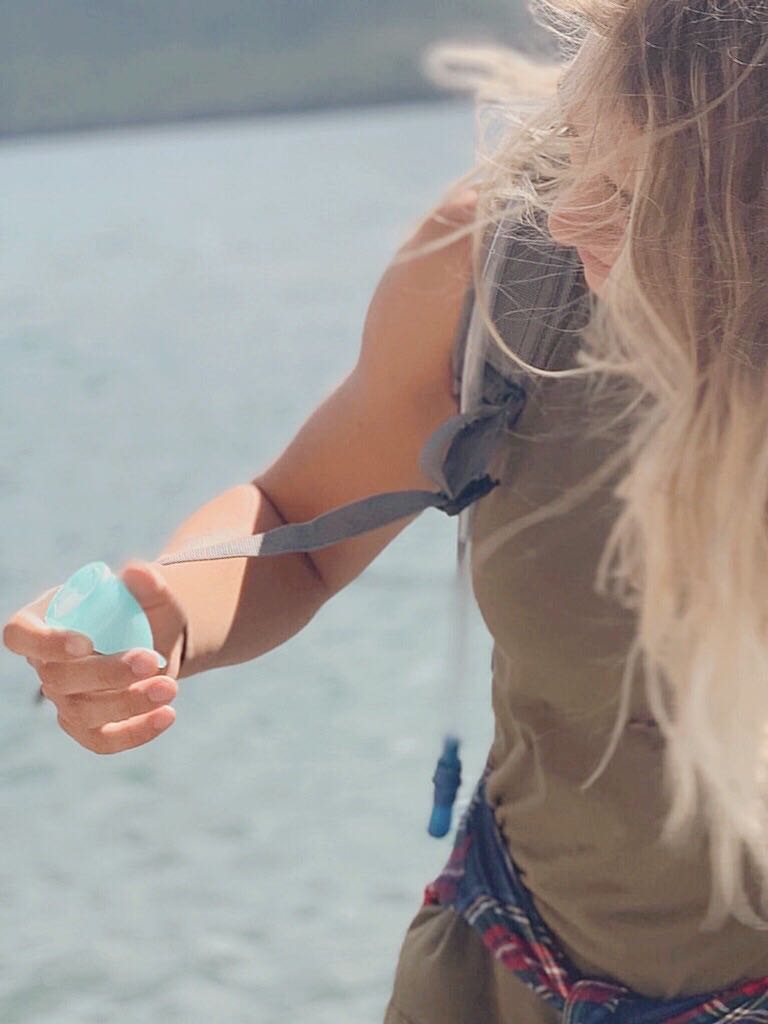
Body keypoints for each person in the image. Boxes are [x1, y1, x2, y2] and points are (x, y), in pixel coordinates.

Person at [7, 0, 768, 1019]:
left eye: (634, 195)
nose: (564, 213)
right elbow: (298, 518)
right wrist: (163, 624)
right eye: (582, 150)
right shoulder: (508, 261)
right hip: (500, 977)